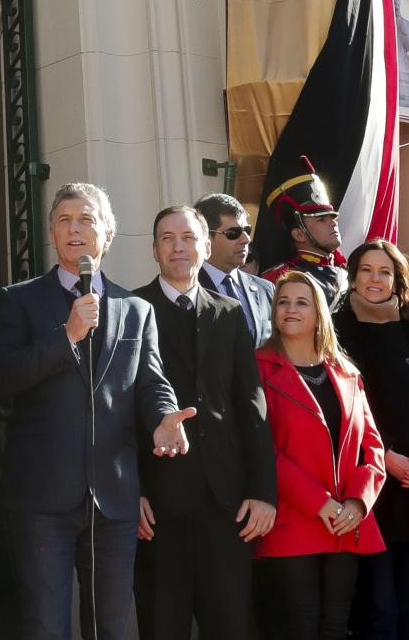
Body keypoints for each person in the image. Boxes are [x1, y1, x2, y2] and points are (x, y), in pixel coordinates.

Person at [0, 183, 196, 640]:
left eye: (86, 219)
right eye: (64, 220)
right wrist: (66, 336)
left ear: (108, 232)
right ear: (51, 234)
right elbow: (2, 381)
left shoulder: (135, 309)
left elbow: (151, 382)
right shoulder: (18, 299)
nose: (75, 229)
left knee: (113, 629)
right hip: (42, 498)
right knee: (47, 625)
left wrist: (163, 418)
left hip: (114, 499)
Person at [133, 205, 277, 639]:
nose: (178, 246)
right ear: (154, 249)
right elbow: (116, 406)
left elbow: (250, 404)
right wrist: (131, 491)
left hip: (227, 504)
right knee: (162, 626)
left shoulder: (230, 311)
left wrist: (262, 491)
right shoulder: (130, 308)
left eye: (189, 237)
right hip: (157, 506)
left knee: (230, 624)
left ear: (206, 245)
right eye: (167, 238)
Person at [332, 240, 409, 640]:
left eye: (384, 271)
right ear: (353, 276)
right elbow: (336, 411)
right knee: (378, 614)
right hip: (371, 490)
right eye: (366, 270)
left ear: (397, 279)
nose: (375, 279)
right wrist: (384, 458)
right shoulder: (335, 329)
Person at [254, 270, 386, 640]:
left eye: (301, 302)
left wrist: (358, 504)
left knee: (335, 627)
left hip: (345, 522)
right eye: (282, 302)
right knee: (300, 628)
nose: (290, 309)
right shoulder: (257, 367)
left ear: (319, 313)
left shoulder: (346, 372)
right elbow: (261, 449)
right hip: (292, 519)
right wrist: (319, 503)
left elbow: (373, 449)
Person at [260, 156, 347, 305]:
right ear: (299, 234)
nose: (333, 223)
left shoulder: (349, 271)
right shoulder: (277, 279)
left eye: (332, 217)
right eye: (321, 220)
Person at [195, 193, 275, 347]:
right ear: (206, 239)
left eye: (247, 229)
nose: (246, 239)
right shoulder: (188, 292)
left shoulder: (265, 289)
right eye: (233, 233)